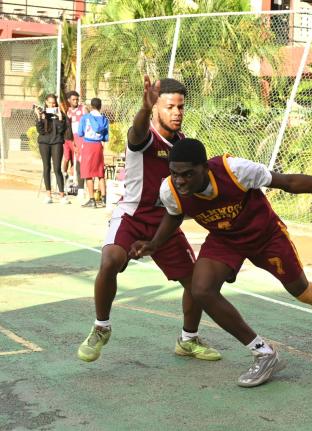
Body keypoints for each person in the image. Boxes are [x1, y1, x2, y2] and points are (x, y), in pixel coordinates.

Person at [130, 138, 312, 388]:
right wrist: (154, 244)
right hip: (225, 239)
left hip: (266, 236)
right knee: (201, 289)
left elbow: (288, 182)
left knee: (302, 292)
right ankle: (264, 354)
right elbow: (174, 215)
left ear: (205, 168)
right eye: (175, 173)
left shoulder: (235, 170)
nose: (180, 180)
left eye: (187, 174)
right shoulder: (170, 189)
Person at [77, 78, 221, 363]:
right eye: (170, 106)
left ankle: (188, 339)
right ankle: (101, 327)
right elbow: (137, 130)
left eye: (181, 106)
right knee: (110, 260)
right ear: (156, 107)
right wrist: (143, 110)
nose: (177, 112)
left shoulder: (183, 145)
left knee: (195, 283)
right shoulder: (145, 138)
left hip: (166, 222)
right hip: (132, 217)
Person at [34, 94, 70, 204]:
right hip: (44, 143)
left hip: (57, 142)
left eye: (53, 102)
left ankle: (62, 196)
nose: (52, 104)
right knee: (46, 167)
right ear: (46, 102)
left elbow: (61, 131)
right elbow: (40, 131)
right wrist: (39, 117)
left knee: (57, 168)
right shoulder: (42, 113)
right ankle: (48, 195)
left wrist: (60, 118)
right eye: (49, 102)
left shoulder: (60, 114)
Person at [78, 97, 109, 208]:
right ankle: (104, 199)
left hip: (88, 145)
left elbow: (80, 133)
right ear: (100, 107)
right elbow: (105, 137)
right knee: (100, 172)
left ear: (91, 106)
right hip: (98, 146)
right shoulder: (104, 119)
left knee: (88, 173)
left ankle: (92, 200)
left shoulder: (86, 117)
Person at [63, 91, 86, 198]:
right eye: (73, 99)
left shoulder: (83, 109)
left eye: (77, 99)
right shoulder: (68, 111)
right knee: (68, 160)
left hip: (81, 139)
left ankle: (81, 188)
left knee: (80, 162)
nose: (76, 101)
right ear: (69, 100)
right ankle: (66, 181)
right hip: (70, 139)